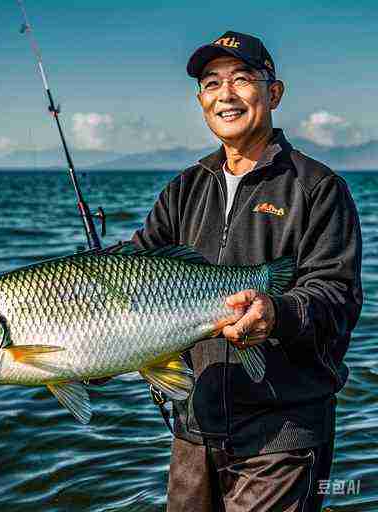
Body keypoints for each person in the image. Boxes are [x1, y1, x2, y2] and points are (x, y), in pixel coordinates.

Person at [131, 31, 363, 512]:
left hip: (282, 433)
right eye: (212, 83)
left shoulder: (318, 188)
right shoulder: (184, 189)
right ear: (200, 100)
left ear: (273, 93)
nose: (226, 94)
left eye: (241, 79)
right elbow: (134, 266)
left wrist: (275, 313)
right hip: (194, 427)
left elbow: (337, 296)